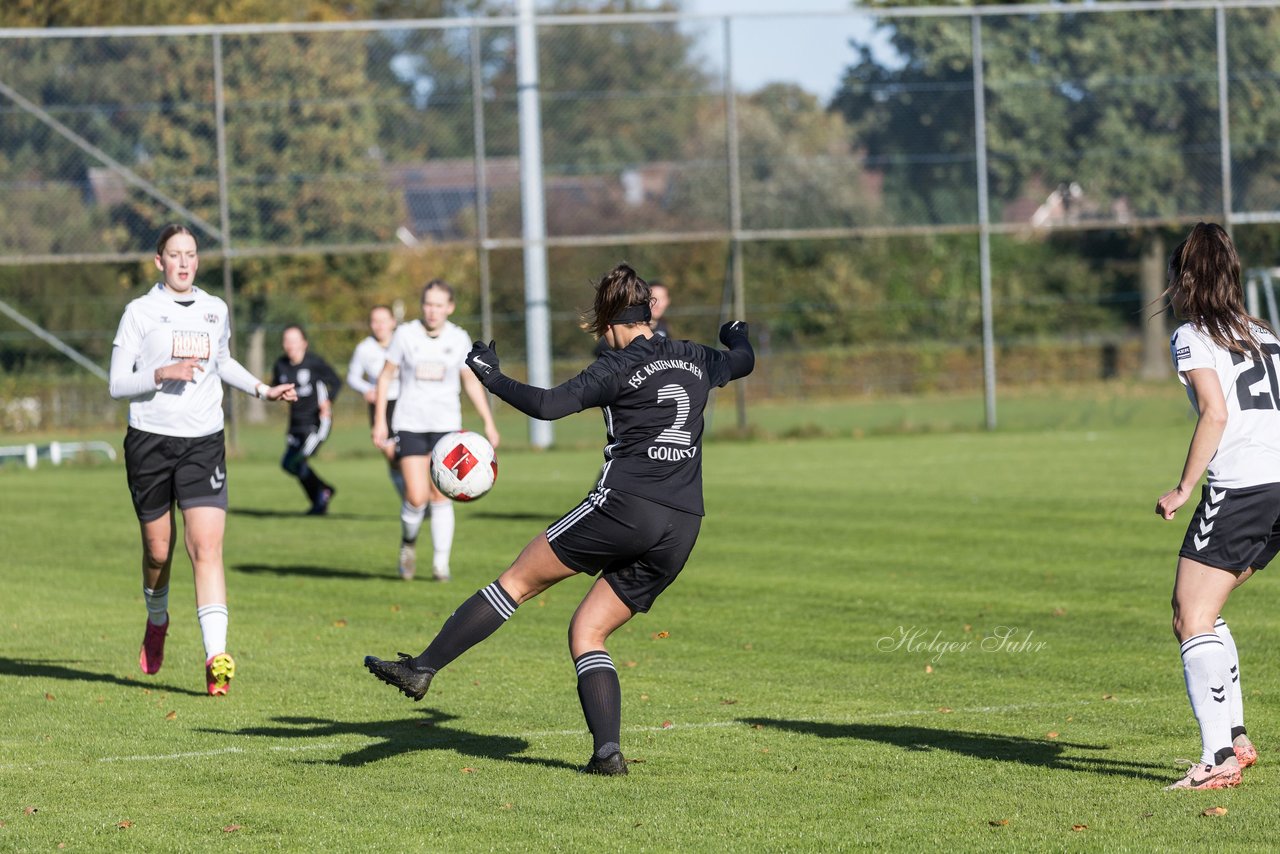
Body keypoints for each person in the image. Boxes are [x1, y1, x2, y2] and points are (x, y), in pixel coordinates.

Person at [364, 263, 754, 775]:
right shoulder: (695, 357)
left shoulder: (617, 366)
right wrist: (736, 334)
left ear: (611, 319)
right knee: (588, 631)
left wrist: (490, 375)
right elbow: (742, 360)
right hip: (683, 524)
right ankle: (607, 753)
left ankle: (422, 668)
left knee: (515, 584)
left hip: (624, 504)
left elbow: (547, 406)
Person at [108, 224, 296, 696]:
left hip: (203, 442)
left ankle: (217, 658)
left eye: (191, 254)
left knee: (205, 548)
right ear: (159, 262)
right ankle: (157, 621)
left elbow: (223, 361)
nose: (185, 263)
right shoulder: (139, 312)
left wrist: (262, 389)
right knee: (158, 550)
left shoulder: (216, 309)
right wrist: (160, 373)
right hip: (150, 441)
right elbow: (116, 383)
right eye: (175, 255)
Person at [1156, 222, 1274, 790]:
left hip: (1242, 490)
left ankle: (1217, 758)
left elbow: (1216, 412)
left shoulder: (1192, 334)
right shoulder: (1265, 334)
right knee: (1208, 608)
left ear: (1185, 278)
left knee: (1189, 616)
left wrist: (1183, 487)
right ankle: (1238, 739)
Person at [371, 279, 500, 581]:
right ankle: (409, 543)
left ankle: (441, 565)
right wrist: (380, 420)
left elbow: (470, 380)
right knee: (416, 497)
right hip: (411, 424)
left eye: (439, 305)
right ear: (422, 305)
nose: (432, 310)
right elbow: (385, 377)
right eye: (428, 304)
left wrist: (488, 421)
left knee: (442, 495)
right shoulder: (405, 335)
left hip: (447, 428)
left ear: (449, 308)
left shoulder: (458, 338)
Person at [273, 324, 342, 515]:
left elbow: (336, 381)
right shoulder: (281, 365)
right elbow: (275, 389)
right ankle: (323, 491)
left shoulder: (314, 363)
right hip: (295, 424)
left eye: (294, 340)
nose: (290, 345)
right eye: (286, 340)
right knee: (288, 464)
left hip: (317, 422)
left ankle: (321, 497)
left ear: (304, 343)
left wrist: (328, 401)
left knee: (299, 460)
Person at [348, 305, 405, 501]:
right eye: (374, 321)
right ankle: (410, 500)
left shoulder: (404, 342)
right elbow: (352, 377)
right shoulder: (364, 348)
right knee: (392, 458)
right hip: (381, 406)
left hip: (406, 402)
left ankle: (421, 497)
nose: (379, 325)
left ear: (393, 322)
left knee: (412, 455)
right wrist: (367, 390)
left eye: (383, 320)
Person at [593, 279, 671, 358]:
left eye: (662, 298)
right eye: (653, 298)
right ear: (643, 301)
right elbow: (600, 351)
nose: (657, 304)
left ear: (668, 301)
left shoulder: (663, 326)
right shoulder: (626, 326)